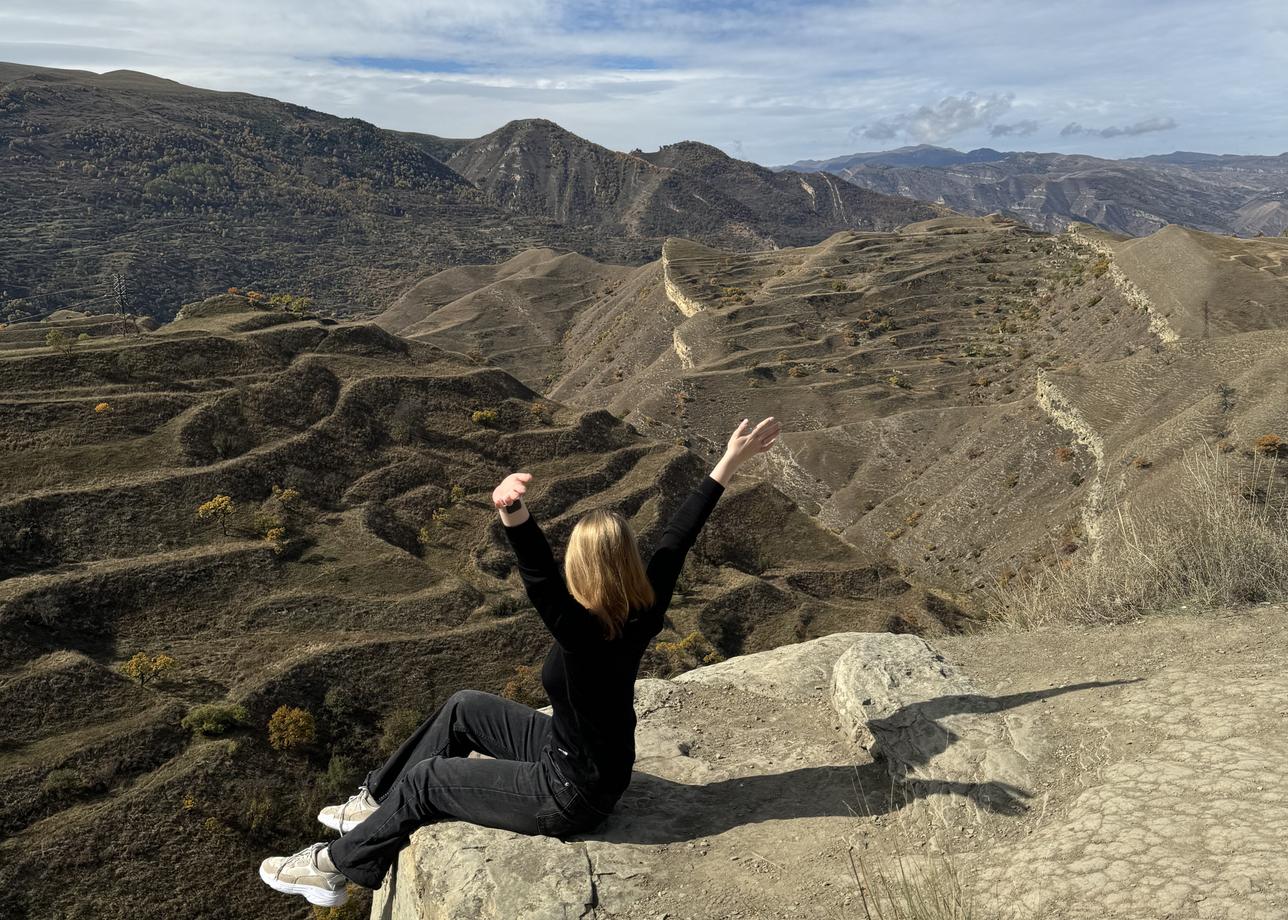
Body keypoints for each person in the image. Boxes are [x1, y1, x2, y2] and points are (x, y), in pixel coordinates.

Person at [258, 417, 782, 907]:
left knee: (430, 780)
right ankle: (373, 801)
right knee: (464, 708)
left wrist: (512, 511)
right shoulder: (644, 604)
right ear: (627, 558)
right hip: (576, 757)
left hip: (569, 793)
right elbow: (677, 536)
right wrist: (727, 463)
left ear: (580, 565)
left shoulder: (582, 630)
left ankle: (333, 869)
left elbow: (539, 574)